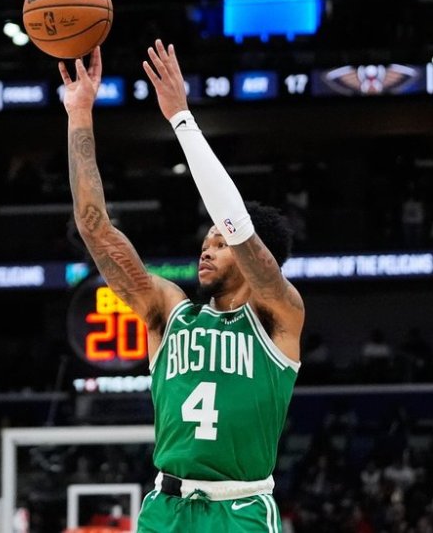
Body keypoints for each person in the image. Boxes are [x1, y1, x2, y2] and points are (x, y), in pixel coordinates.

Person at [60, 40, 305, 532]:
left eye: (219, 242)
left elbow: (237, 224)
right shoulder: (169, 311)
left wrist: (181, 119)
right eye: (206, 240)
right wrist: (80, 113)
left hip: (240, 511)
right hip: (165, 508)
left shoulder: (280, 316)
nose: (207, 249)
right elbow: (94, 227)